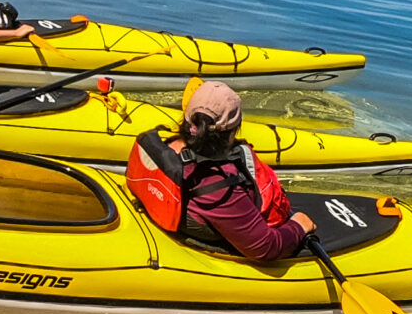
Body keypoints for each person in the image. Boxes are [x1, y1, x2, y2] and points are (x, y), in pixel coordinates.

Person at [126, 80, 316, 264]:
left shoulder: (171, 146)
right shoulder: (219, 186)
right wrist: (299, 226)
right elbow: (265, 247)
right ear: (233, 131)